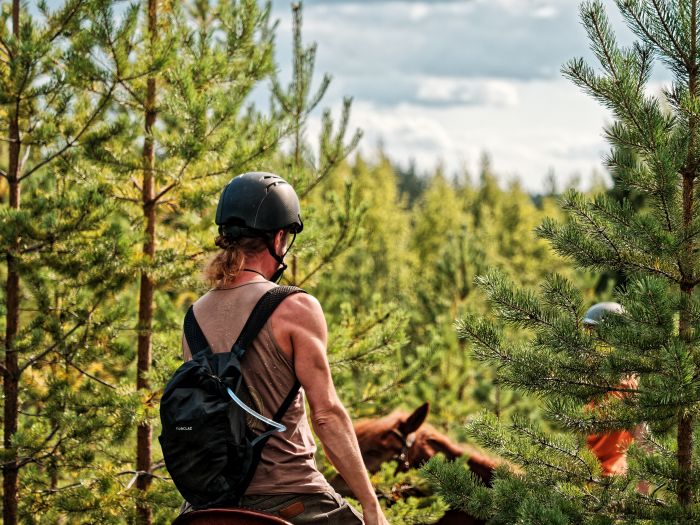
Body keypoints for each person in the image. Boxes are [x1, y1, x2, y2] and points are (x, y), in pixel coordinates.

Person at [180, 172, 389, 525]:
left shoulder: (194, 317)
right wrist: (371, 503)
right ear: (278, 238)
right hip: (292, 497)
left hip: (204, 505)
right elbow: (326, 414)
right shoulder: (294, 307)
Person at [583, 302, 648, 490]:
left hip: (609, 485)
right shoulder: (586, 382)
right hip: (581, 481)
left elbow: (644, 440)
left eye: (594, 335)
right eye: (588, 333)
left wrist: (643, 494)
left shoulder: (626, 388)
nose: (588, 343)